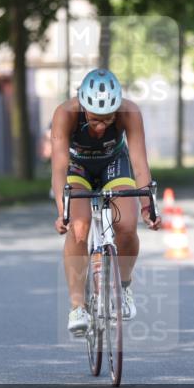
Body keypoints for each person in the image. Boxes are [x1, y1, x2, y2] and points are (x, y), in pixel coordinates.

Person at [51, 68, 161, 336]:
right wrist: (62, 211)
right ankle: (78, 306)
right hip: (78, 167)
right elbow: (58, 169)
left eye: (108, 119)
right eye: (94, 120)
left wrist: (148, 207)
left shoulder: (129, 113)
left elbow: (139, 163)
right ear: (83, 107)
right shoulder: (65, 115)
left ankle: (122, 288)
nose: (101, 127)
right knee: (79, 226)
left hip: (114, 162)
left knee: (126, 226)